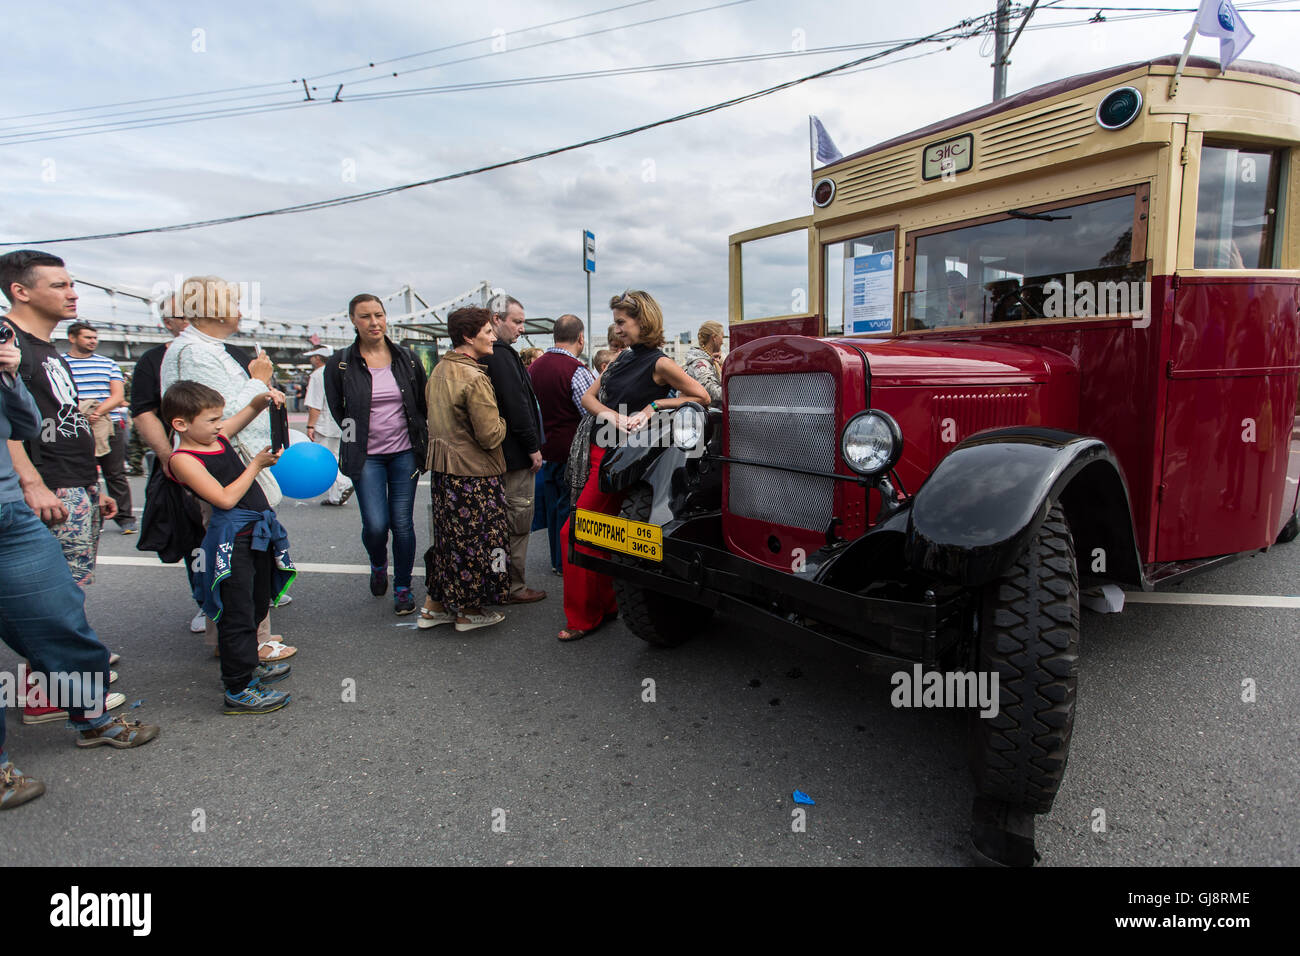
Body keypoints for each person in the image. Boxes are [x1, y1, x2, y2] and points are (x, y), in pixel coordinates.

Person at [1, 317, 160, 809]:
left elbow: (26, 426)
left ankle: (92, 717)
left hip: (9, 514)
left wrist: (7, 377)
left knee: (58, 614)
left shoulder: (22, 360)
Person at [557, 290, 709, 641]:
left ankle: (584, 617)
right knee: (598, 531)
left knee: (575, 532)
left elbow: (701, 397)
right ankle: (604, 605)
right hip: (598, 451)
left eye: (621, 322)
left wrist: (654, 406)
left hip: (620, 457)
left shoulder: (660, 363)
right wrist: (610, 414)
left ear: (643, 321)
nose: (617, 328)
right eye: (616, 321)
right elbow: (587, 397)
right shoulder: (624, 357)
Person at [160, 276, 295, 662]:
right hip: (224, 468)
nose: (240, 311)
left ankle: (242, 638)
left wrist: (261, 396)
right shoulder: (195, 353)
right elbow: (215, 417)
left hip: (229, 462)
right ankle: (250, 643)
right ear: (212, 308)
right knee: (242, 560)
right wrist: (257, 381)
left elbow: (225, 415)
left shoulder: (202, 348)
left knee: (245, 556)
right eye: (234, 303)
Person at [164, 381, 295, 714]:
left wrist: (262, 400)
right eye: (211, 420)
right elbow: (224, 498)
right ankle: (238, 687)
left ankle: (249, 663)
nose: (220, 425)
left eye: (220, 418)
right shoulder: (183, 459)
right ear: (181, 424)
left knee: (256, 602)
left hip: (257, 534)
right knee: (236, 613)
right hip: (231, 541)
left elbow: (246, 414)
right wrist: (255, 465)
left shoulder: (216, 437)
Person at [323, 294, 428, 615]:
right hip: (366, 456)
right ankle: (378, 563)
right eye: (365, 316)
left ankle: (403, 588)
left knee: (403, 523)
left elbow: (421, 405)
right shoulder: (340, 363)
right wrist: (357, 443)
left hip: (404, 454)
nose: (374, 322)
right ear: (353, 321)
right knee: (375, 525)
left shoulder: (407, 359)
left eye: (379, 315)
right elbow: (340, 411)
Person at [419, 307, 511, 632]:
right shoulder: (474, 377)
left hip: (444, 473)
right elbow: (490, 435)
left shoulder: (440, 370)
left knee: (448, 542)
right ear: (469, 337)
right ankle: (469, 612)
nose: (493, 336)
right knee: (478, 543)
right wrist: (503, 421)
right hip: (474, 474)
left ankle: (434, 607)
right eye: (487, 330)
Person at [480, 295, 547, 605]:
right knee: (517, 522)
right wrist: (533, 447)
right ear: (497, 319)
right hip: (515, 454)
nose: (522, 329)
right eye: (517, 321)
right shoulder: (501, 355)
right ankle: (514, 586)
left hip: (497, 454)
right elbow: (517, 405)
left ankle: (499, 582)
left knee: (500, 523)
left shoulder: (490, 353)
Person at [528, 314, 594, 577]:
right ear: (580, 338)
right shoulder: (576, 371)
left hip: (544, 450)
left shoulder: (533, 368)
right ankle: (568, 558)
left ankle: (557, 560)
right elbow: (590, 413)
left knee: (555, 506)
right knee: (570, 506)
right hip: (572, 452)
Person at [62, 322, 135, 533]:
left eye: (95, 338)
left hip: (109, 425)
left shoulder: (108, 363)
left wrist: (97, 413)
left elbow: (118, 396)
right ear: (72, 338)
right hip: (75, 426)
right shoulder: (61, 363)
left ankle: (126, 518)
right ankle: (93, 518)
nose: (93, 341)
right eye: (87, 337)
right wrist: (82, 415)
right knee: (84, 475)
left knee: (116, 473)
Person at [302, 346, 353, 507]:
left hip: (325, 424)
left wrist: (310, 426)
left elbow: (315, 405)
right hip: (344, 422)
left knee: (326, 458)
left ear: (318, 358)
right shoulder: (340, 370)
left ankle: (343, 483)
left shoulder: (318, 375)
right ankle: (336, 496)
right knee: (339, 457)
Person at [682, 320, 724, 407]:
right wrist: (737, 393)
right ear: (714, 338)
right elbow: (711, 392)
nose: (722, 342)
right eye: (722, 337)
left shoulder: (707, 360)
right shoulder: (700, 363)